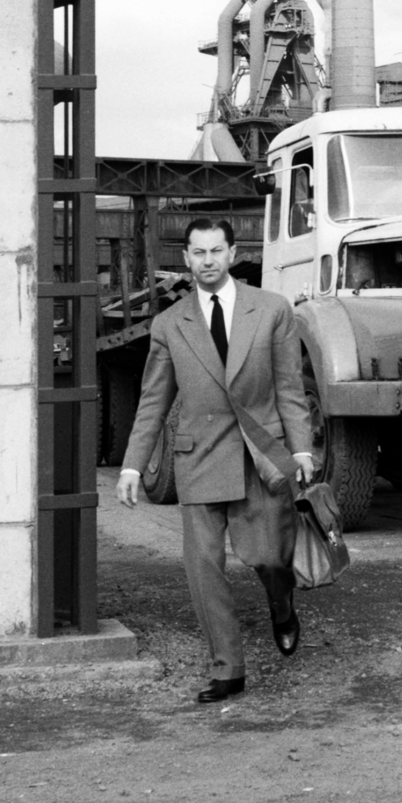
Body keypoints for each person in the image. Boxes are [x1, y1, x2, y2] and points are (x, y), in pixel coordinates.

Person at [116, 217, 317, 703]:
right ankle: (228, 669)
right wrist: (132, 465)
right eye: (197, 253)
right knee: (204, 568)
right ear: (185, 259)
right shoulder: (169, 324)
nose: (207, 261)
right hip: (199, 457)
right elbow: (153, 400)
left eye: (215, 251)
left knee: (270, 557)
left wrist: (302, 448)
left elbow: (290, 388)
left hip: (260, 457)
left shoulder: (271, 310)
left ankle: (282, 599)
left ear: (231, 254)